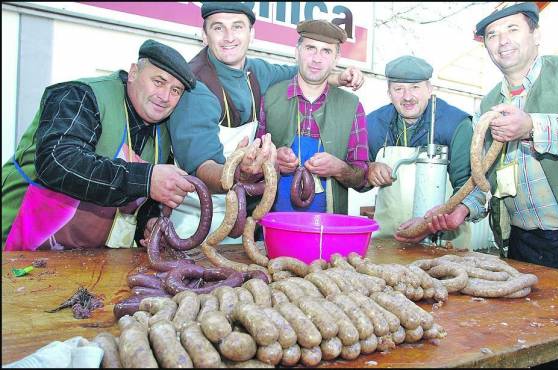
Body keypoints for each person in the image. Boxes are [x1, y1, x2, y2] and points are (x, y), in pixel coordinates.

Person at [160, 2, 365, 244]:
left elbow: (306, 72)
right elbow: (202, 167)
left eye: (237, 27)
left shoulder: (256, 71)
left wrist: (337, 77)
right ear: (204, 35)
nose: (228, 37)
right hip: (195, 221)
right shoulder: (195, 87)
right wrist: (240, 173)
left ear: (252, 34)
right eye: (218, 28)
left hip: (241, 219)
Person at [2, 39, 197, 251]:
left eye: (176, 90)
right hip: (17, 239)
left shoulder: (165, 134)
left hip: (83, 258)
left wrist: (148, 224)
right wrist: (145, 179)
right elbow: (57, 161)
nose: (165, 97)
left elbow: (146, 201)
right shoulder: (79, 95)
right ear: (133, 73)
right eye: (158, 82)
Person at [472, 2, 558, 276]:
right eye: (492, 35)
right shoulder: (487, 104)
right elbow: (482, 176)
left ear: (536, 35)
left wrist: (532, 127)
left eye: (512, 29)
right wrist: (463, 210)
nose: (502, 40)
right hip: (521, 245)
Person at [366, 55, 485, 245]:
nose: (407, 96)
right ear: (389, 92)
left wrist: (442, 217)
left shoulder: (456, 124)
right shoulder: (373, 124)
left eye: (415, 87)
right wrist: (368, 169)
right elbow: (357, 178)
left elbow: (470, 187)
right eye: (398, 89)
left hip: (445, 244)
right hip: (390, 241)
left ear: (429, 89)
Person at [257, 19, 369, 214]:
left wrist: (339, 168)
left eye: (326, 51)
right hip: (273, 225)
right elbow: (251, 169)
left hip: (329, 230)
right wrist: (272, 161)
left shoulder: (352, 107)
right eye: (310, 48)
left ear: (336, 59)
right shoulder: (270, 99)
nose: (317, 58)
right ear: (297, 51)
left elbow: (362, 178)